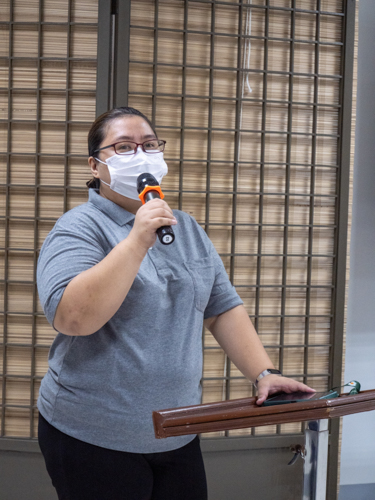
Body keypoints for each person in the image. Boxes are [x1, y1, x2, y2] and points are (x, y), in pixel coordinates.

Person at [36, 107, 315, 500]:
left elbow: (221, 306)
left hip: (176, 430)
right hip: (93, 435)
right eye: (124, 147)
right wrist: (136, 241)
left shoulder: (184, 227)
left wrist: (263, 372)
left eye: (149, 145)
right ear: (95, 166)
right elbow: (73, 318)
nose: (141, 154)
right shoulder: (78, 229)